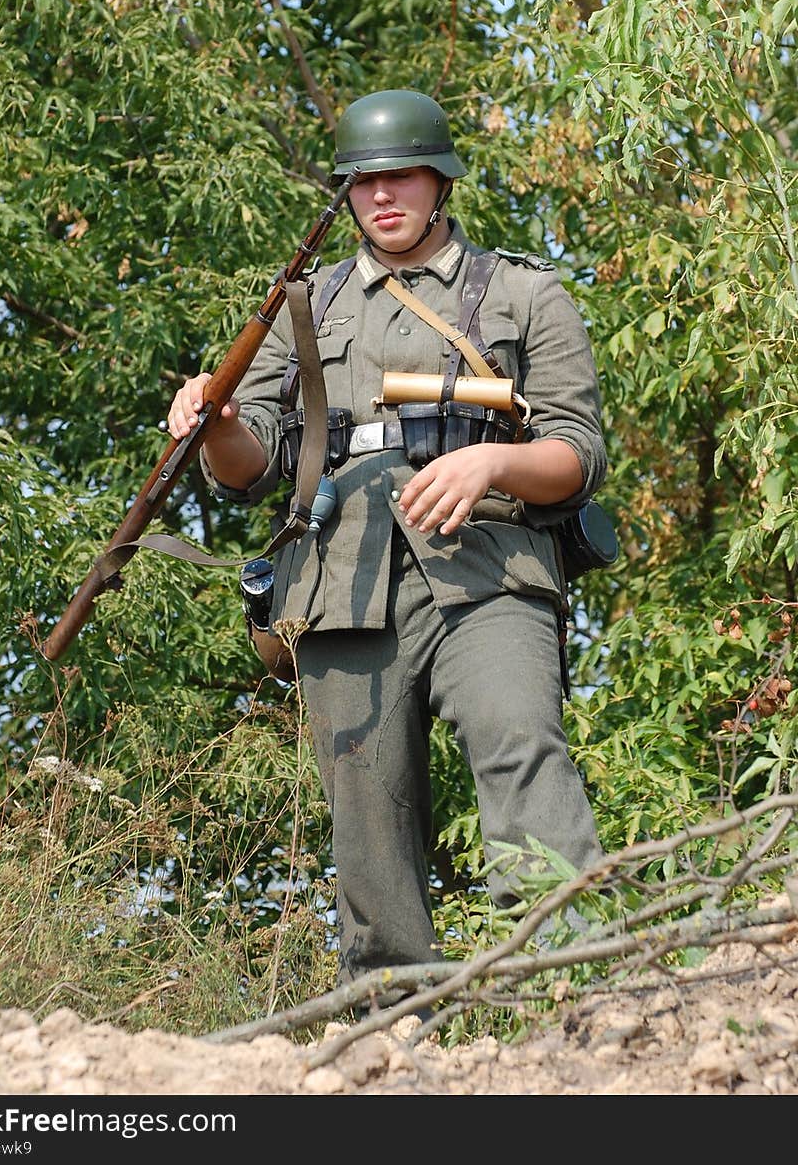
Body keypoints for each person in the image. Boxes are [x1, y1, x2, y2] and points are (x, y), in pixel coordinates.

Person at [167, 89, 607, 990]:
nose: (382, 196)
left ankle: (577, 985)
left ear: (440, 179)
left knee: (519, 737)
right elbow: (249, 464)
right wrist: (211, 418)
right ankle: (394, 1025)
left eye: (401, 174)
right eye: (364, 181)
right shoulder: (307, 308)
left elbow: (578, 455)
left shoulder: (526, 293)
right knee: (367, 810)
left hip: (486, 569)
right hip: (343, 578)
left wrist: (491, 466)